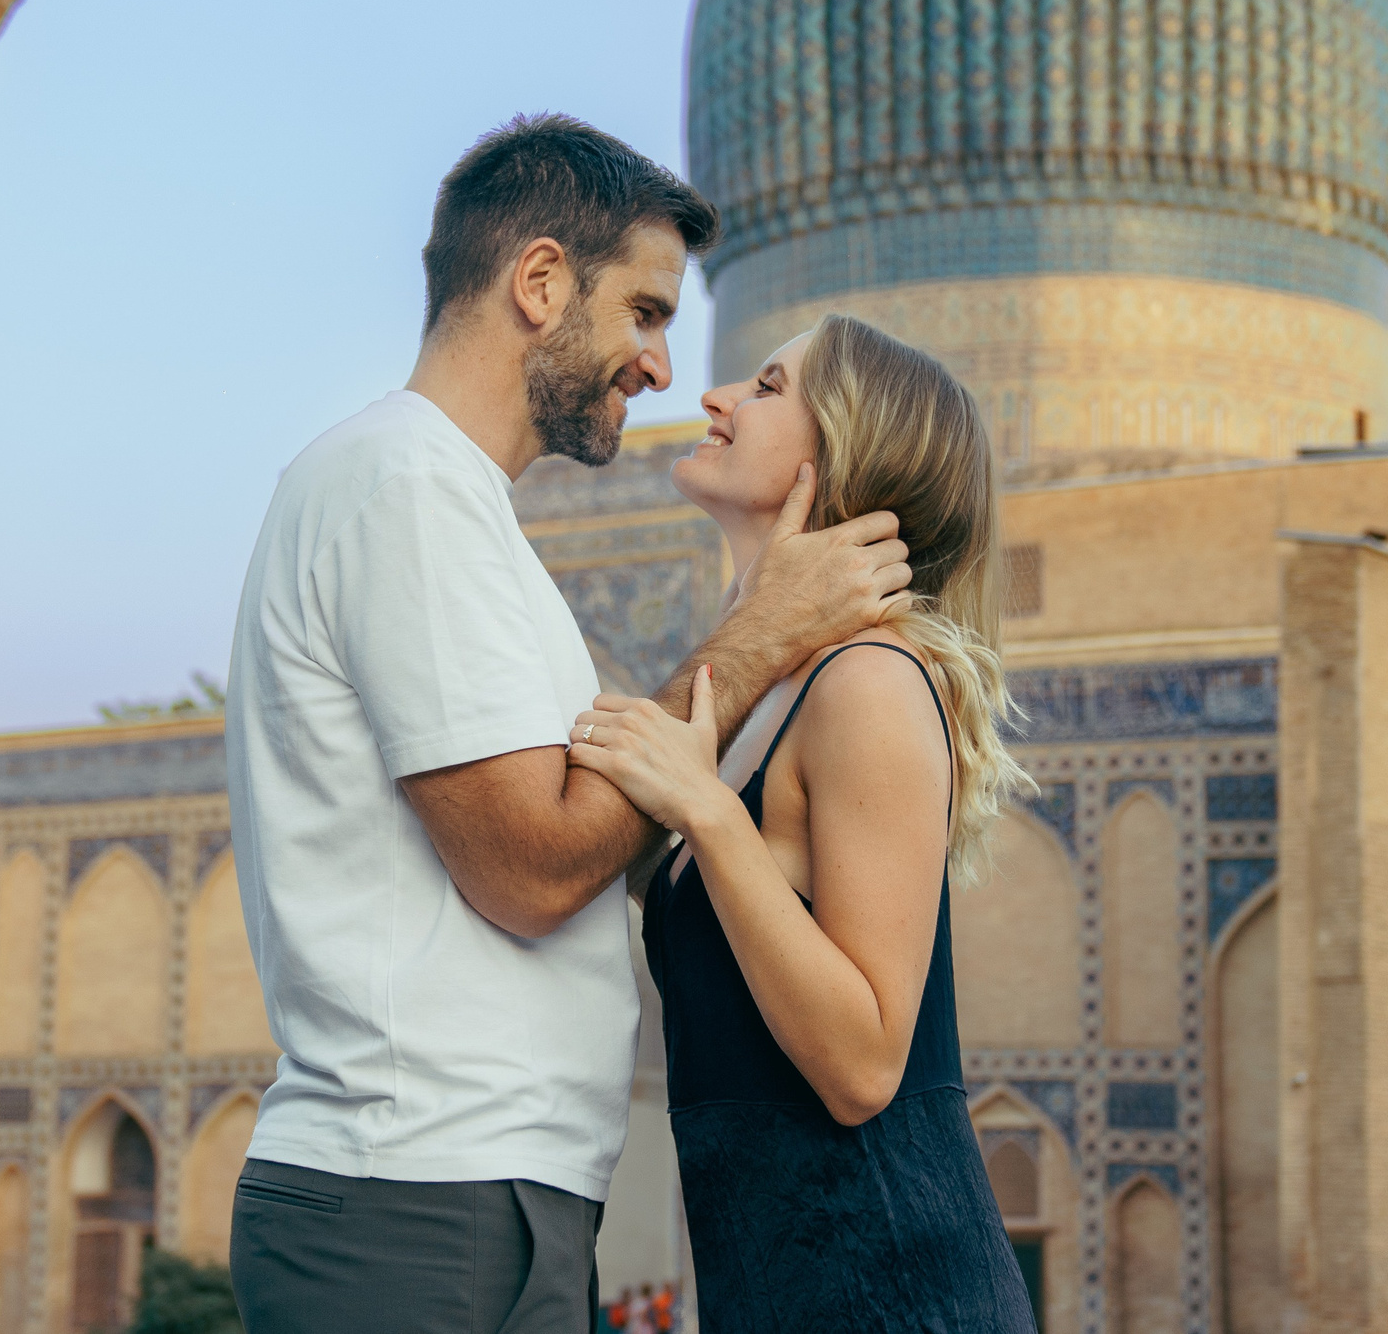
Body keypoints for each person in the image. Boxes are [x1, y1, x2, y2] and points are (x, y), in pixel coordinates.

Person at [223, 117, 913, 1334]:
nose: (659, 369)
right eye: (644, 311)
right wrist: (759, 630)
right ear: (539, 282)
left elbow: (582, 841)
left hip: (472, 1190)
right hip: (415, 1196)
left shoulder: (460, 517)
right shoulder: (404, 491)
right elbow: (534, 867)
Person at [570, 315, 1039, 1333]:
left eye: (768, 385)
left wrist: (700, 808)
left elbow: (867, 1062)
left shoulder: (866, 682)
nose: (716, 397)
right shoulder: (770, 698)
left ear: (835, 456)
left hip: (895, 1292)